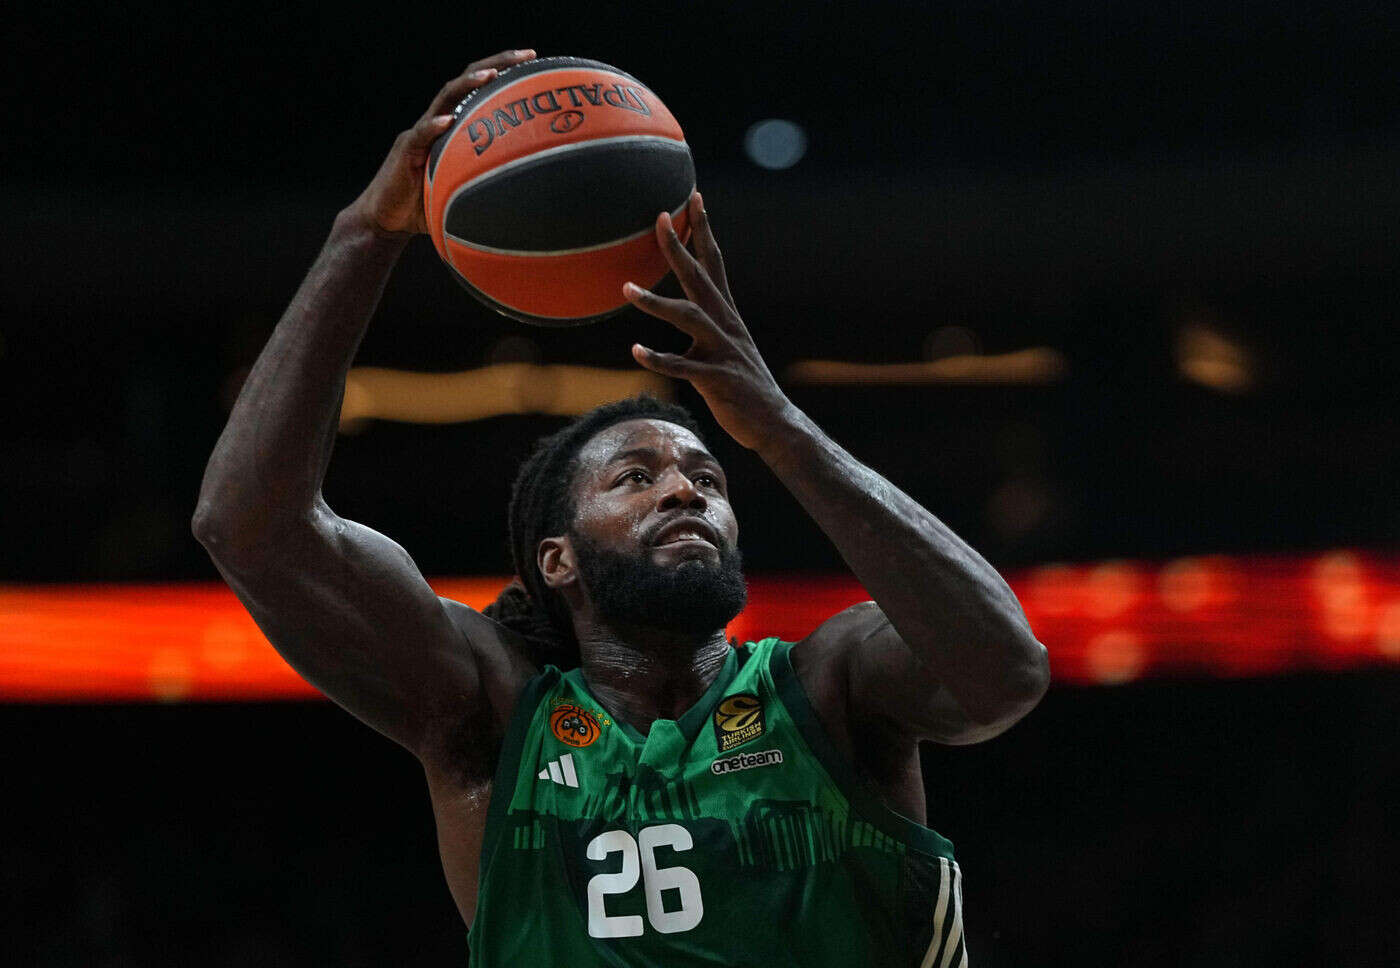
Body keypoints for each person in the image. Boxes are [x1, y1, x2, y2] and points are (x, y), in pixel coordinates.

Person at [192, 49, 1050, 968]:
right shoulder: (488, 715)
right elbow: (249, 526)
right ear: (556, 559)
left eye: (710, 480)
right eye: (635, 479)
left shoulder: (831, 688)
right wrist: (366, 233)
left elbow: (1004, 673)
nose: (686, 488)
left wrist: (783, 429)